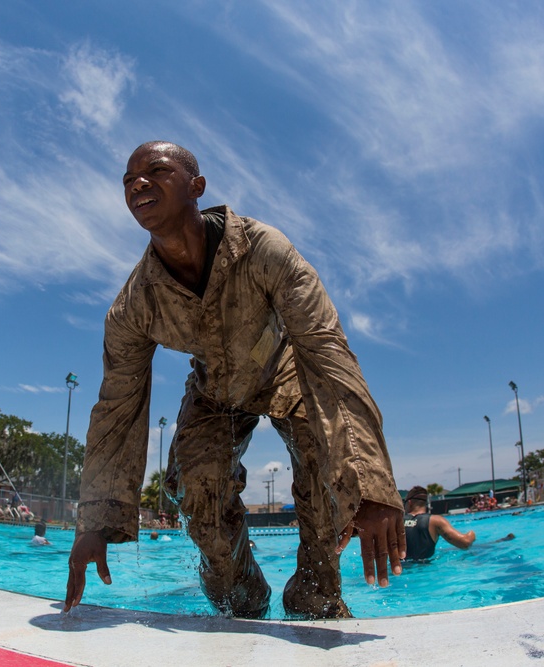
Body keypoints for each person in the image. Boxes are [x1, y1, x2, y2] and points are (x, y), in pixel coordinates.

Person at [64, 142, 404, 620]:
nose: (137, 183)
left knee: (322, 461)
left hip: (287, 371)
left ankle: (315, 590)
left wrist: (370, 484)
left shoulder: (265, 248)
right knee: (198, 491)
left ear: (196, 187)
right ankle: (243, 598)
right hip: (215, 391)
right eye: (127, 179)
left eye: (155, 170)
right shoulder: (135, 304)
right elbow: (117, 408)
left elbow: (327, 352)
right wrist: (95, 522)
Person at [402, 486, 475, 561]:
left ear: (409, 502)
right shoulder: (435, 521)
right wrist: (472, 534)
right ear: (425, 503)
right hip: (426, 569)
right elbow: (465, 543)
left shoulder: (397, 521)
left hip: (401, 569)